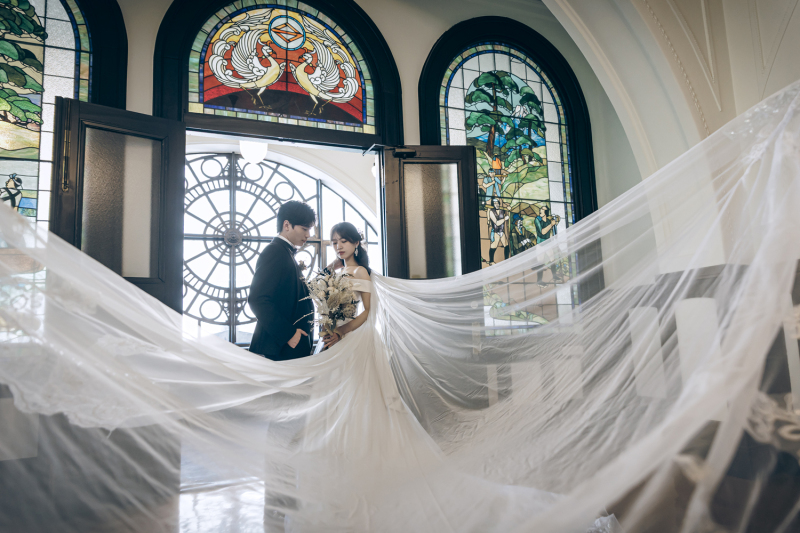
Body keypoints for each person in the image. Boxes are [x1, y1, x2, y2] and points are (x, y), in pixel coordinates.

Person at [248, 200, 316, 360]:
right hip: (279, 349)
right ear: (287, 225)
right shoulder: (274, 252)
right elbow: (257, 299)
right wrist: (289, 334)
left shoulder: (285, 252)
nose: (308, 235)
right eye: (304, 229)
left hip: (287, 349)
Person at [319, 221, 372, 350]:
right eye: (335, 242)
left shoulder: (360, 271)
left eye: (344, 241)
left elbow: (367, 311)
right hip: (331, 335)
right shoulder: (338, 273)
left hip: (348, 334)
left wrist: (340, 331)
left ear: (356, 243)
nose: (339, 247)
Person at [533, 205, 562, 285]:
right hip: (540, 244)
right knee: (540, 262)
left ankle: (554, 276)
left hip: (548, 244)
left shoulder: (549, 221)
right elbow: (543, 232)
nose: (540, 211)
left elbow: (555, 225)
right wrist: (551, 225)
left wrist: (556, 220)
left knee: (552, 259)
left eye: (542, 210)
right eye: (541, 209)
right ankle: (539, 281)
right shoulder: (537, 220)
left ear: (546, 212)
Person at [488, 197, 509, 265]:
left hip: (502, 231)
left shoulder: (502, 211)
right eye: (494, 203)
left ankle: (507, 260)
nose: (496, 204)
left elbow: (508, 212)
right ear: (492, 204)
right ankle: (491, 261)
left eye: (497, 202)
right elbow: (496, 223)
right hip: (495, 231)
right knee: (494, 246)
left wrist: (508, 209)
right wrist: (504, 219)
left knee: (506, 245)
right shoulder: (491, 212)